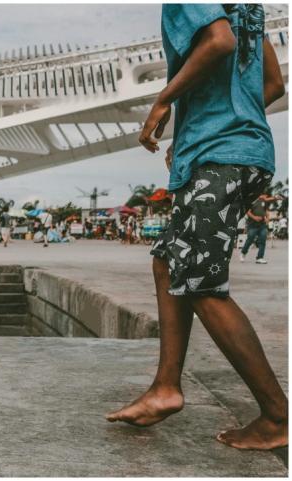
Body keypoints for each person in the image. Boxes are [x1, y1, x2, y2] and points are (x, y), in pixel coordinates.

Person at [106, 4, 287, 451]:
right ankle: (165, 388)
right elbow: (273, 84)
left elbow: (219, 41)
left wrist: (164, 99)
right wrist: (198, 131)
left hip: (222, 158)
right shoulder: (248, 5)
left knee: (202, 284)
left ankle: (278, 417)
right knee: (169, 262)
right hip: (244, 153)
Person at [240, 192, 279, 264]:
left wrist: (267, 218)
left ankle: (260, 258)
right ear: (261, 195)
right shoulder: (252, 201)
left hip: (262, 225)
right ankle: (243, 253)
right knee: (250, 240)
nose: (266, 197)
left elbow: (266, 211)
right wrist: (255, 217)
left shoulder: (264, 202)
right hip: (252, 225)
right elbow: (248, 212)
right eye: (265, 196)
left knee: (263, 241)